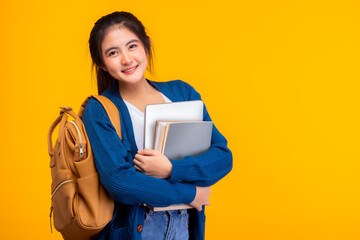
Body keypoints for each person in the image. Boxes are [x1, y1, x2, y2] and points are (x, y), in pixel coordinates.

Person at [82, 11, 233, 240]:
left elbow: (222, 157)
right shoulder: (100, 109)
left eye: (132, 46)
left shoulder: (182, 93)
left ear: (146, 46)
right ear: (102, 64)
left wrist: (171, 169)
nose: (126, 59)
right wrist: (191, 192)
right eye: (113, 53)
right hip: (138, 229)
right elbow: (120, 182)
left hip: (184, 224)